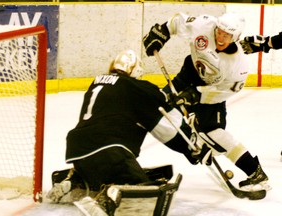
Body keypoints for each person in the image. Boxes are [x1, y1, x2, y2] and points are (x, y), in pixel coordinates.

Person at [47, 50, 213, 209]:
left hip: (77, 150)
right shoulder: (136, 88)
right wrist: (191, 147)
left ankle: (75, 180)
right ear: (136, 71)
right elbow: (166, 125)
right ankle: (111, 195)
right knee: (143, 187)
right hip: (111, 151)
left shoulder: (97, 82)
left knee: (97, 169)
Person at [143, 12, 269, 190]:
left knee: (215, 134)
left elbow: (222, 92)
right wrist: (161, 32)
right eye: (219, 31)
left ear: (236, 37)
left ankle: (254, 171)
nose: (220, 37)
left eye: (227, 35)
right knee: (157, 106)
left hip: (211, 93)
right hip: (188, 75)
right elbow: (179, 21)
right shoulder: (205, 25)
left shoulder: (238, 67)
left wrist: (192, 96)